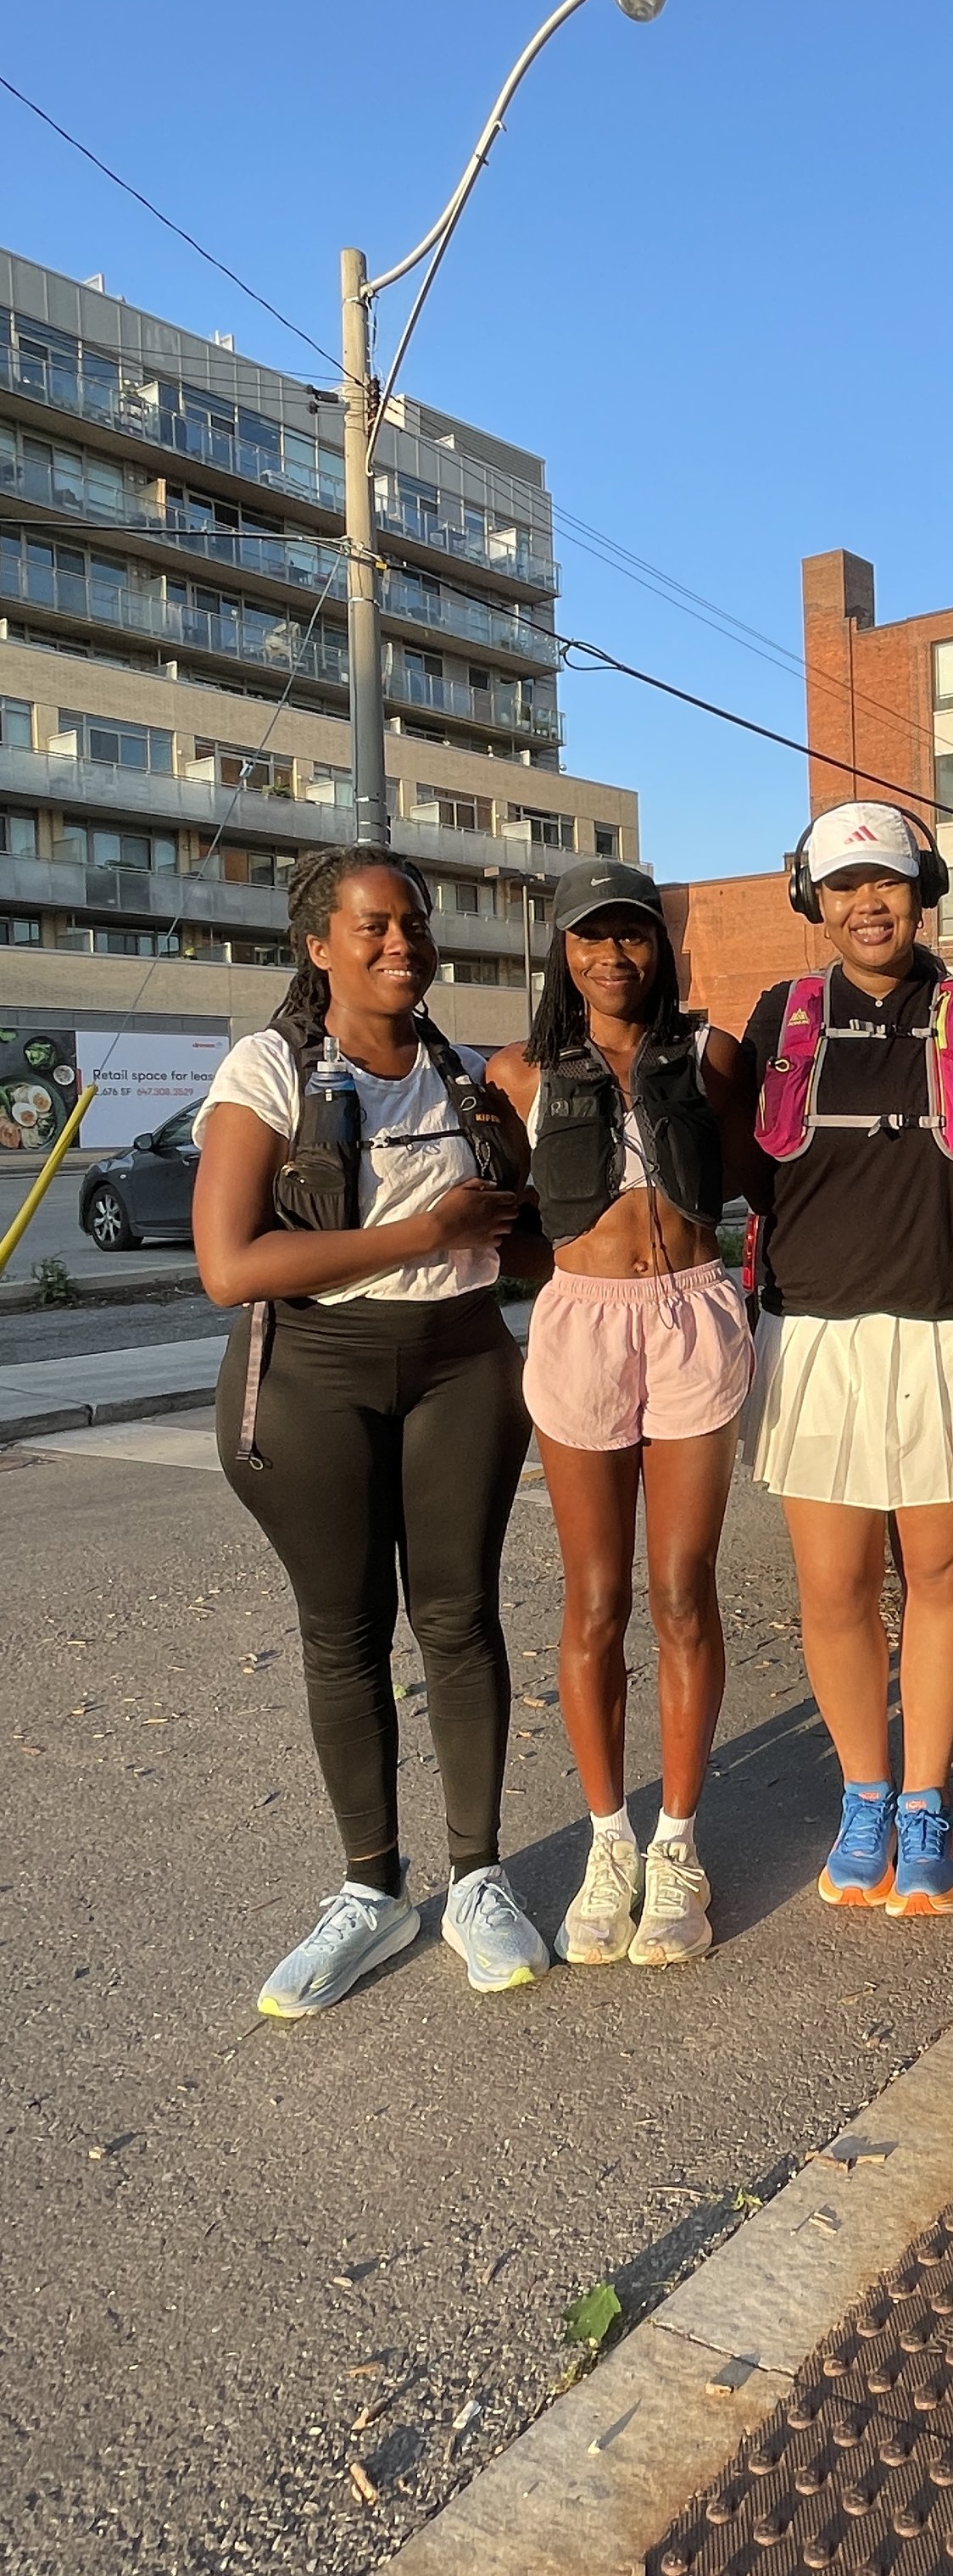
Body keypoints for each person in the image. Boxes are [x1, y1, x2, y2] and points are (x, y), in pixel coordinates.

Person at [192, 848, 549, 2016]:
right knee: (341, 1632)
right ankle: (370, 1891)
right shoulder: (270, 1068)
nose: (403, 944)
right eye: (375, 926)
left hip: (460, 1360)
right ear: (319, 944)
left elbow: (525, 1240)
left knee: (459, 1616)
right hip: (313, 1370)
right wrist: (424, 1230)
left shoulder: (466, 1076)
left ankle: (479, 1875)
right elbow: (229, 1262)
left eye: (415, 925)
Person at [741, 802, 953, 1915]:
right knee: (834, 1584)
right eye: (847, 885)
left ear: (924, 889)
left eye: (891, 882)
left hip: (949, 1319)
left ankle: (924, 1802)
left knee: (942, 1575)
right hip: (812, 1325)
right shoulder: (779, 1016)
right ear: (814, 898)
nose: (871, 903)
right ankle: (865, 1793)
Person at [485, 857, 757, 1971]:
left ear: (660, 944)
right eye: (592, 937)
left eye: (632, 935)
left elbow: (761, 1170)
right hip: (584, 1320)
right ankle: (610, 1839)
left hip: (692, 1312)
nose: (613, 956)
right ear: (563, 949)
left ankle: (679, 1844)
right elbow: (504, 1211)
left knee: (683, 1591)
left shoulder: (711, 1055)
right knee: (594, 1601)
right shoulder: (516, 1071)